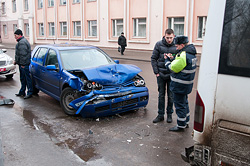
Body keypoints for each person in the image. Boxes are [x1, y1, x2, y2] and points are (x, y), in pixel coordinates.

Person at [164, 35, 197, 132]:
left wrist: (167, 61)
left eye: (177, 46)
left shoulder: (183, 55)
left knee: (179, 105)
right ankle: (186, 121)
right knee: (185, 103)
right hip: (186, 85)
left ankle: (181, 125)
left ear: (182, 45)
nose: (176, 47)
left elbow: (172, 68)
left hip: (179, 86)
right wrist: (173, 59)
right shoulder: (191, 54)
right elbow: (182, 66)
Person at [151, 29, 177, 123]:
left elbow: (179, 60)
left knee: (171, 96)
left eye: (170, 38)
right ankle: (160, 115)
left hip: (171, 75)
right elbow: (153, 58)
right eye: (167, 37)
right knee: (161, 95)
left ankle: (169, 114)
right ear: (164, 36)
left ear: (173, 36)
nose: (169, 40)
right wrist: (156, 73)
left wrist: (172, 58)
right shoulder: (158, 44)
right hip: (161, 75)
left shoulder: (176, 45)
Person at [14, 29, 33, 99]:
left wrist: (22, 64)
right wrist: (16, 61)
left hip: (24, 65)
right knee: (23, 78)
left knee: (27, 79)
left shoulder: (22, 42)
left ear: (19, 35)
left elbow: (23, 55)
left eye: (15, 35)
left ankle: (30, 92)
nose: (15, 37)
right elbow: (19, 54)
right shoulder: (21, 41)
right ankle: (22, 91)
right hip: (22, 64)